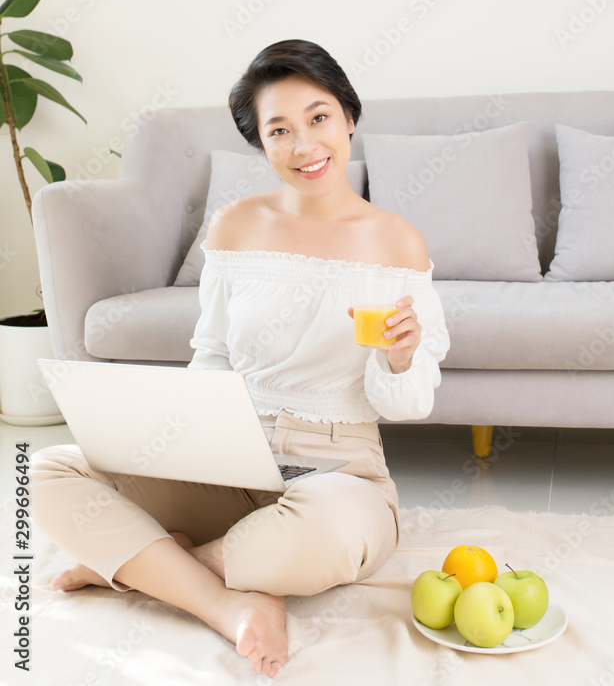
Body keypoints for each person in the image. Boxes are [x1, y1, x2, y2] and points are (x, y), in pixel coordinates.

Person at [29, 39, 450, 679]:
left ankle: (151, 565)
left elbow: (412, 403)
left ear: (348, 118)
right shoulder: (235, 226)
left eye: (318, 118)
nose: (304, 145)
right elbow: (213, 353)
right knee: (50, 471)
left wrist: (400, 358)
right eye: (279, 130)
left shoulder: (397, 241)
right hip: (228, 458)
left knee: (326, 533)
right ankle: (226, 604)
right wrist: (187, 442)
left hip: (340, 474)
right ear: (260, 143)